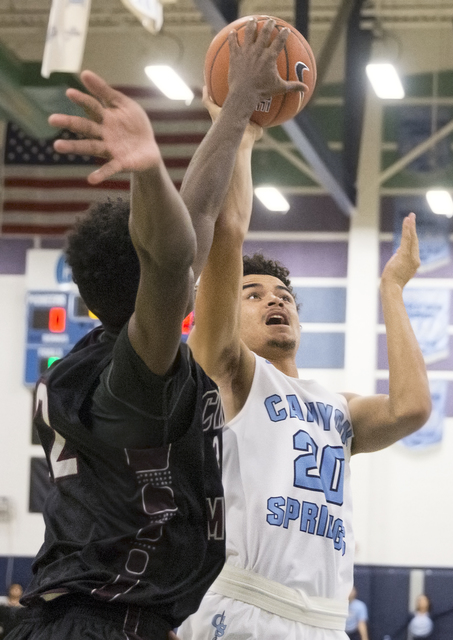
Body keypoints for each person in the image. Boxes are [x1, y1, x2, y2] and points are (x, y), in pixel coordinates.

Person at [6, 20, 306, 640]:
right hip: (99, 624)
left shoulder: (99, 359)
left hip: (107, 616)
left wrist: (233, 119)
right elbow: (171, 258)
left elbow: (190, 223)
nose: (195, 267)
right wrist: (148, 172)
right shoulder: (134, 378)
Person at [177, 95, 431, 638]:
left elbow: (411, 408)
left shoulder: (336, 407)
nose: (275, 300)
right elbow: (228, 232)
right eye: (253, 293)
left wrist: (392, 288)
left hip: (324, 619)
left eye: (284, 294)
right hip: (244, 606)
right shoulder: (232, 376)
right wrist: (241, 134)